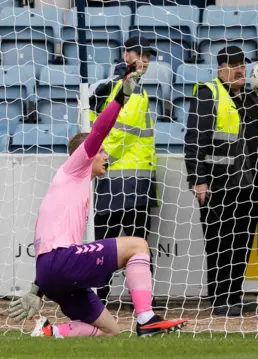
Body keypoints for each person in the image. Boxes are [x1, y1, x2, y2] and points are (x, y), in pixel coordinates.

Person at [8, 63, 186, 338]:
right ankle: (146, 319)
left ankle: (48, 332)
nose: (106, 155)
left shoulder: (67, 185)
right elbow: (98, 131)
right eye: (101, 151)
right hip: (60, 262)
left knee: (110, 331)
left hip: (47, 273)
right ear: (86, 153)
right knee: (137, 244)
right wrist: (120, 99)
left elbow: (47, 242)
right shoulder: (75, 167)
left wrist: (36, 290)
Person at [184, 46, 258, 317]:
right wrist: (198, 180)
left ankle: (234, 295)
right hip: (218, 184)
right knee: (219, 243)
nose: (239, 70)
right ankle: (220, 298)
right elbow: (194, 142)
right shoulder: (207, 93)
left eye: (242, 65)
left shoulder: (250, 96)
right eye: (233, 65)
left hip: (248, 185)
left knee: (242, 243)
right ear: (220, 68)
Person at [89, 35, 158, 309]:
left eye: (148, 56)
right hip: (116, 178)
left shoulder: (136, 89)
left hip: (135, 179)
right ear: (126, 54)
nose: (144, 60)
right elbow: (106, 132)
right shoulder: (114, 86)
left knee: (125, 243)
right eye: (139, 54)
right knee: (114, 244)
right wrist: (103, 162)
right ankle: (100, 297)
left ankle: (129, 299)